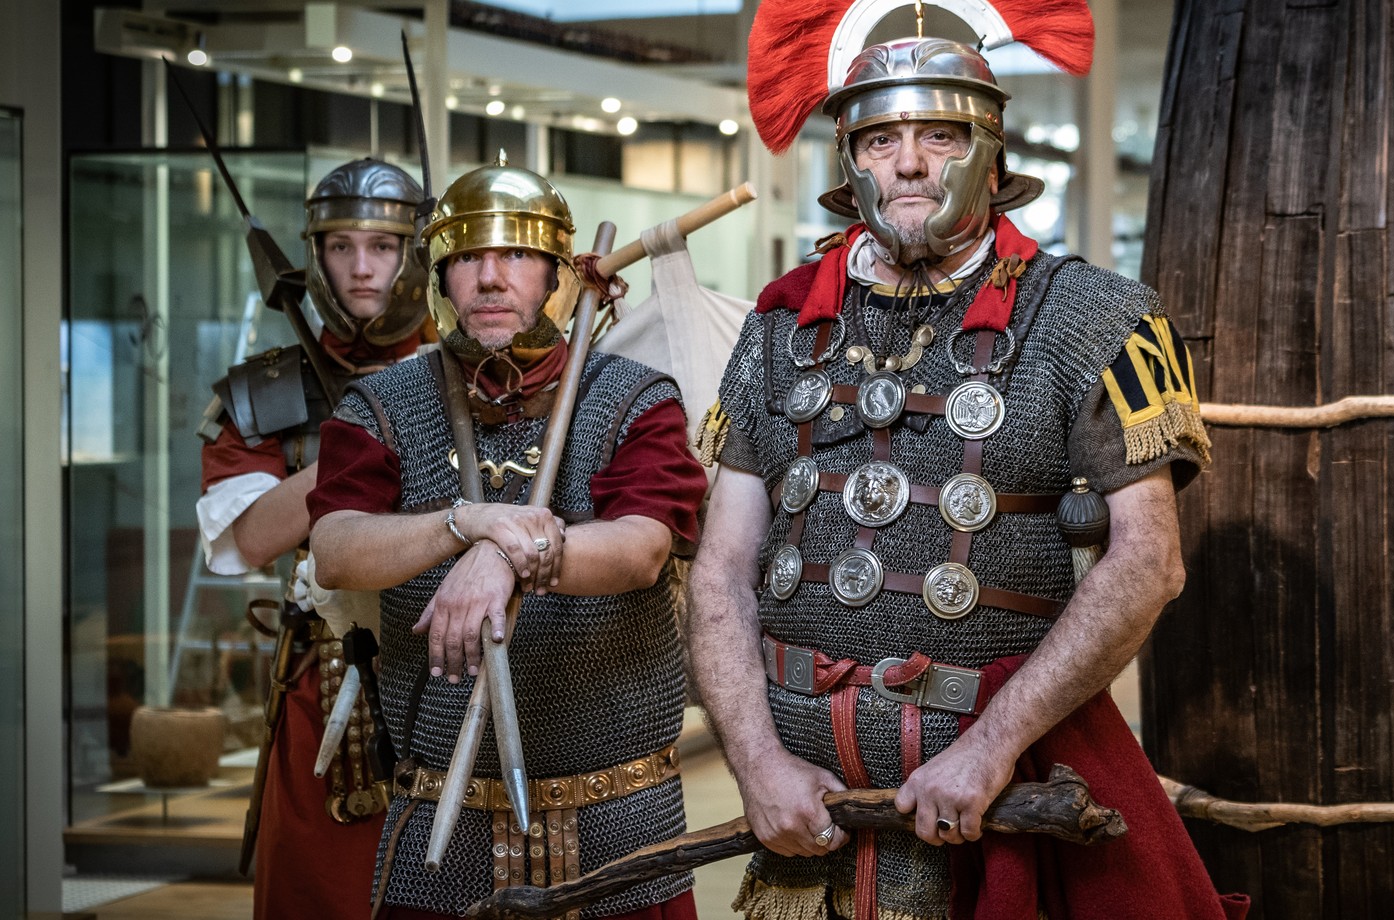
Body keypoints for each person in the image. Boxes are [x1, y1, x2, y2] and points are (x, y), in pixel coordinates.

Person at [688, 5, 1245, 919]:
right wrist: (755, 766)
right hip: (803, 810)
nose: (909, 162)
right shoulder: (780, 327)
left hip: (1000, 804)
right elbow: (719, 574)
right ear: (850, 159)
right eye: (881, 138)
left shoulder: (1093, 317)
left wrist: (989, 748)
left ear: (991, 147)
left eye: (939, 134)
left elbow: (1149, 562)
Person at [306, 155, 708, 920]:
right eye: (469, 259)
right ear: (442, 276)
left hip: (617, 814)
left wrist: (505, 557)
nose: (492, 279)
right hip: (442, 819)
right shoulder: (383, 404)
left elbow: (640, 548)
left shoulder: (631, 398)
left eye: (517, 255)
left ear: (555, 271)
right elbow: (336, 547)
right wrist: (468, 522)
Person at [195, 157, 430, 920]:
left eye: (383, 246)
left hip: (456, 656)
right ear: (313, 254)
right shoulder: (265, 390)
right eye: (340, 246)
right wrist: (373, 428)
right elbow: (254, 537)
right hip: (327, 683)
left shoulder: (472, 368)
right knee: (321, 891)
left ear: (415, 253)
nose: (362, 268)